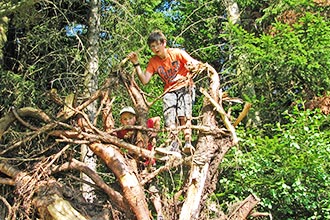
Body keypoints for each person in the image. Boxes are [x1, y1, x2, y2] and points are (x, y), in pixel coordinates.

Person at [127, 30, 200, 155]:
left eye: (157, 45)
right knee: (170, 118)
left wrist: (191, 67)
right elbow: (145, 80)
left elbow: (194, 63)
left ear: (164, 43)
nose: (155, 48)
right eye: (152, 46)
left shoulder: (176, 53)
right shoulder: (153, 61)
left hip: (184, 86)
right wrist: (136, 64)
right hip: (169, 90)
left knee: (184, 115)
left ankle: (187, 142)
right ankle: (174, 146)